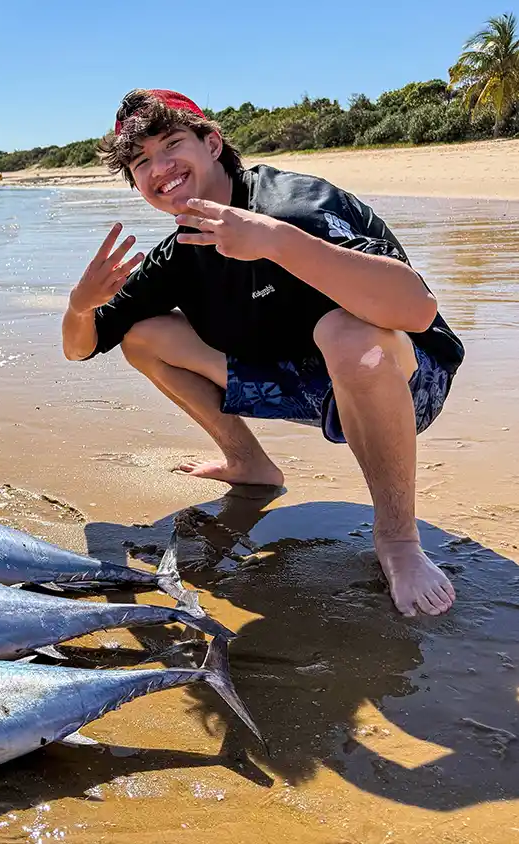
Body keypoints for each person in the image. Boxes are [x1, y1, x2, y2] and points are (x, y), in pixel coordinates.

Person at [62, 89, 464, 618]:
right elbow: (80, 349)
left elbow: (416, 309)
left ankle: (398, 539)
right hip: (303, 386)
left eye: (172, 145)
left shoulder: (294, 204)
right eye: (140, 162)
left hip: (405, 383)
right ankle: (249, 464)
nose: (159, 168)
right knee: (143, 335)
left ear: (211, 142)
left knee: (348, 336)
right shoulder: (179, 255)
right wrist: (80, 306)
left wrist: (276, 242)